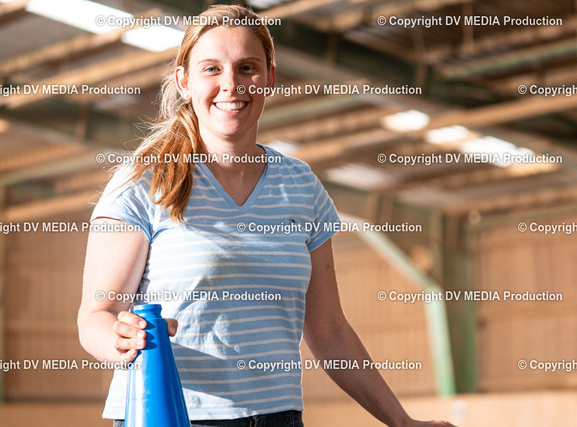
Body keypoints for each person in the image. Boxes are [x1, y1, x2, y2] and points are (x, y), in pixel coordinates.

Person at [77, 5, 456, 427]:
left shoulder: (301, 185)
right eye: (211, 69)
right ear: (185, 81)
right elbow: (95, 316)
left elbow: (329, 329)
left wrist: (402, 421)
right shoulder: (145, 181)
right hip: (171, 415)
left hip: (279, 418)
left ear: (269, 78)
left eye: (247, 67)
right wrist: (120, 339)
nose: (231, 84)